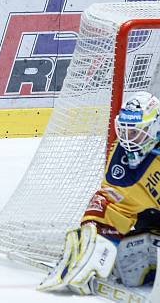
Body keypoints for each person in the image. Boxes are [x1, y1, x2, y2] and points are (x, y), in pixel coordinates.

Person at [39, 91, 160, 295]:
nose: (128, 140)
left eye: (135, 132)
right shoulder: (123, 162)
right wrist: (95, 237)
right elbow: (117, 206)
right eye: (125, 131)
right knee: (129, 257)